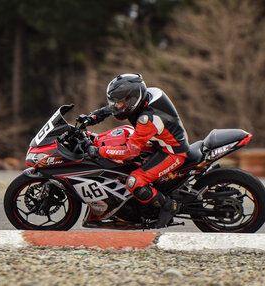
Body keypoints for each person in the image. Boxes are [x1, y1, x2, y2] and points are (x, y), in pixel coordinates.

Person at [78, 73, 189, 228]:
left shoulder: (147, 119)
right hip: (159, 142)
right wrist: (93, 117)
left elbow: (129, 152)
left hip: (172, 152)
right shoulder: (146, 96)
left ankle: (169, 206)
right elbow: (115, 109)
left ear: (133, 98)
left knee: (134, 181)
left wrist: (100, 151)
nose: (117, 105)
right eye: (115, 101)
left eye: (121, 101)